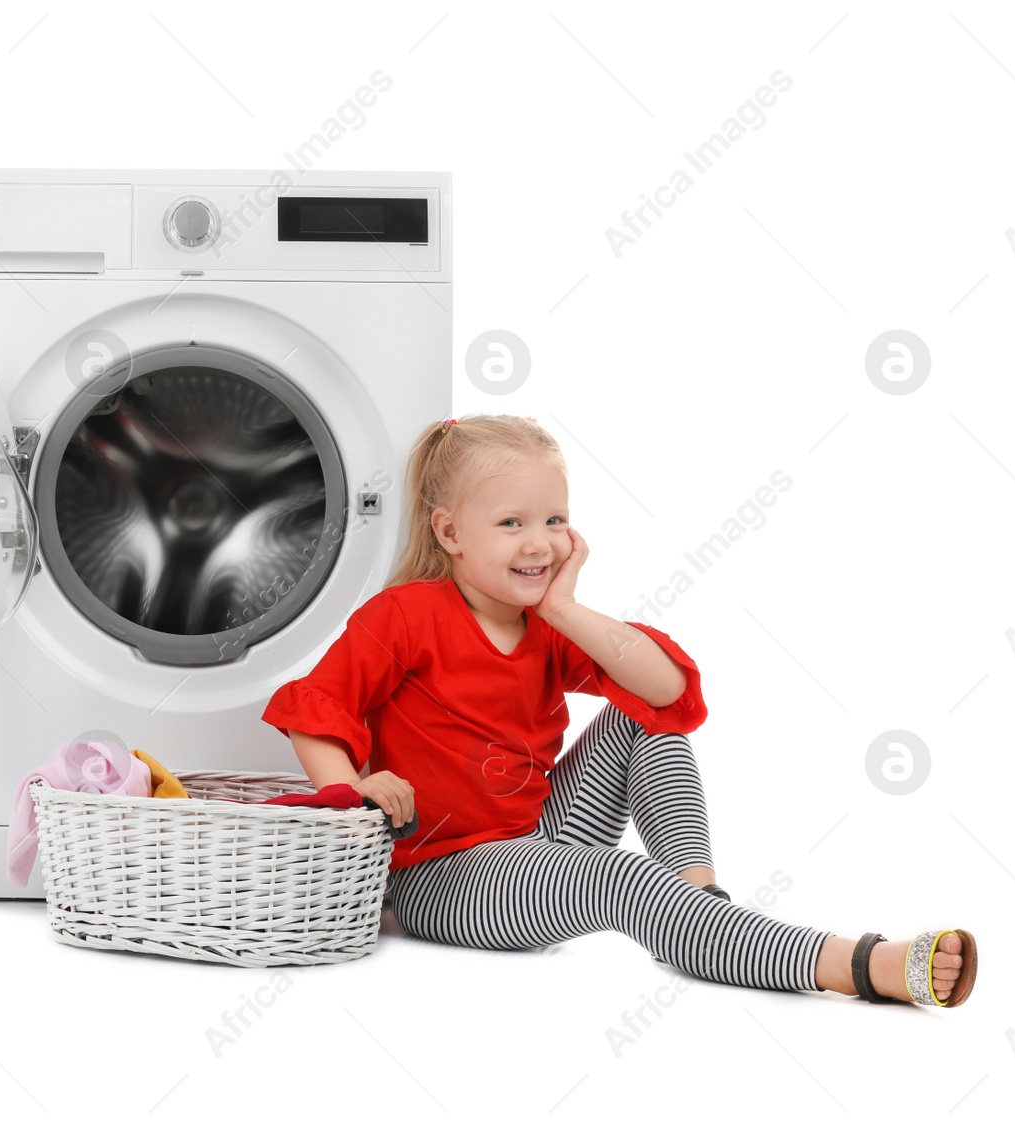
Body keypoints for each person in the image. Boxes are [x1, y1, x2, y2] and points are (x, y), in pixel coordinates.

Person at [261, 414, 977, 1006]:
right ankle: (859, 964)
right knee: (622, 880)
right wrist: (352, 790)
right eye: (510, 522)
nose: (539, 541)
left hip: (541, 832)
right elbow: (315, 706)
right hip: (444, 874)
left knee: (641, 718)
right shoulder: (407, 614)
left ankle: (702, 902)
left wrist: (566, 605)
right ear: (451, 534)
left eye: (554, 519)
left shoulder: (545, 621)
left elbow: (667, 691)